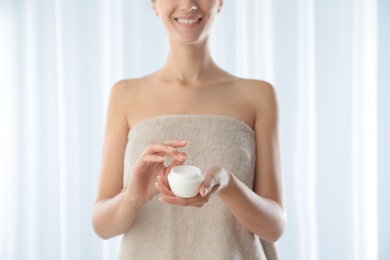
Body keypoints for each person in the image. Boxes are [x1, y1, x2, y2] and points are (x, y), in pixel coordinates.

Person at [92, 0, 286, 259]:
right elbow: (102, 226)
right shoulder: (124, 95)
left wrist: (229, 185)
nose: (188, 4)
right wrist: (132, 197)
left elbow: (274, 228)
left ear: (220, 3)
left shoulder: (258, 95)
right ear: (154, 4)